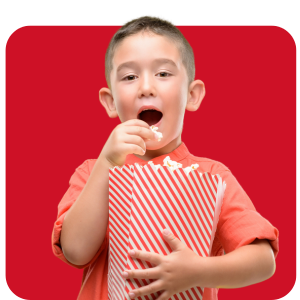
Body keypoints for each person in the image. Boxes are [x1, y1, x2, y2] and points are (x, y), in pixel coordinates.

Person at [51, 16, 279, 300]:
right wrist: (107, 164)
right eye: (130, 76)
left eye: (163, 73)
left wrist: (199, 271)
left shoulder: (211, 176)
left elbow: (263, 260)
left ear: (192, 95)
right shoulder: (92, 172)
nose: (146, 87)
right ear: (110, 101)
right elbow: (75, 251)